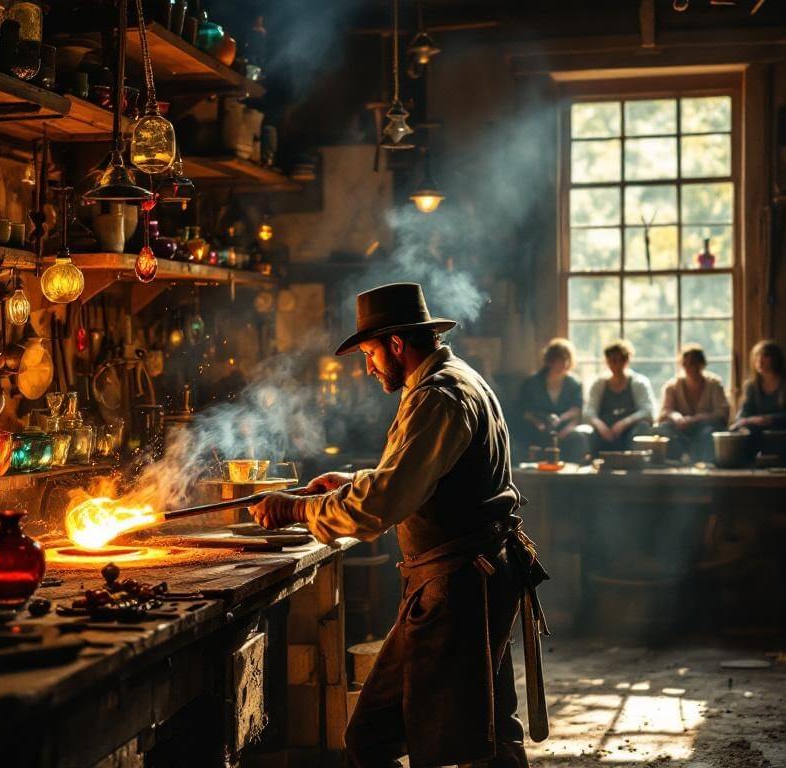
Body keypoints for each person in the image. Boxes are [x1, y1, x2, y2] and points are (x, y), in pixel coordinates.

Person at [250, 283, 548, 768]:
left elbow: (382, 504)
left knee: (372, 738)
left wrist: (294, 510)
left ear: (395, 343)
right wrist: (352, 481)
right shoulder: (457, 379)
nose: (368, 368)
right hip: (475, 577)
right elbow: (426, 476)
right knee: (489, 731)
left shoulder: (439, 397)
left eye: (369, 353)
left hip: (458, 587)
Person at [514, 338, 586, 463]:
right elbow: (525, 411)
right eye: (558, 360)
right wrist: (539, 425)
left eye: (565, 360)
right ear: (550, 361)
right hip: (537, 426)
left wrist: (565, 427)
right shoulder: (532, 382)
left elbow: (576, 411)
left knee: (578, 437)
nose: (562, 364)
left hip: (564, 428)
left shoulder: (574, 383)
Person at [655, 344, 729, 462]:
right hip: (680, 431)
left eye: (693, 363)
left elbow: (722, 412)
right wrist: (676, 417)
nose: (689, 367)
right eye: (685, 363)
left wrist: (698, 418)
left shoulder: (714, 385)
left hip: (704, 429)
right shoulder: (672, 386)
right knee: (663, 429)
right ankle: (681, 460)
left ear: (702, 364)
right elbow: (665, 411)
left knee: (710, 432)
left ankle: (702, 464)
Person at [582, 340, 656, 452]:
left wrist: (624, 423)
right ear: (607, 361)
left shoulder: (638, 383)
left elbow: (648, 411)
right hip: (605, 432)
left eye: (622, 360)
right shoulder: (599, 384)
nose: (618, 365)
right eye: (613, 360)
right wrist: (600, 426)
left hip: (630, 432)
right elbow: (589, 412)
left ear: (628, 360)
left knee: (642, 428)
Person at [732, 339, 786, 436]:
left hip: (782, 432)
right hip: (756, 430)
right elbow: (742, 415)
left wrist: (768, 419)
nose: (760, 360)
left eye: (766, 356)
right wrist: (752, 420)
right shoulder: (751, 386)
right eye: (757, 355)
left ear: (775, 358)